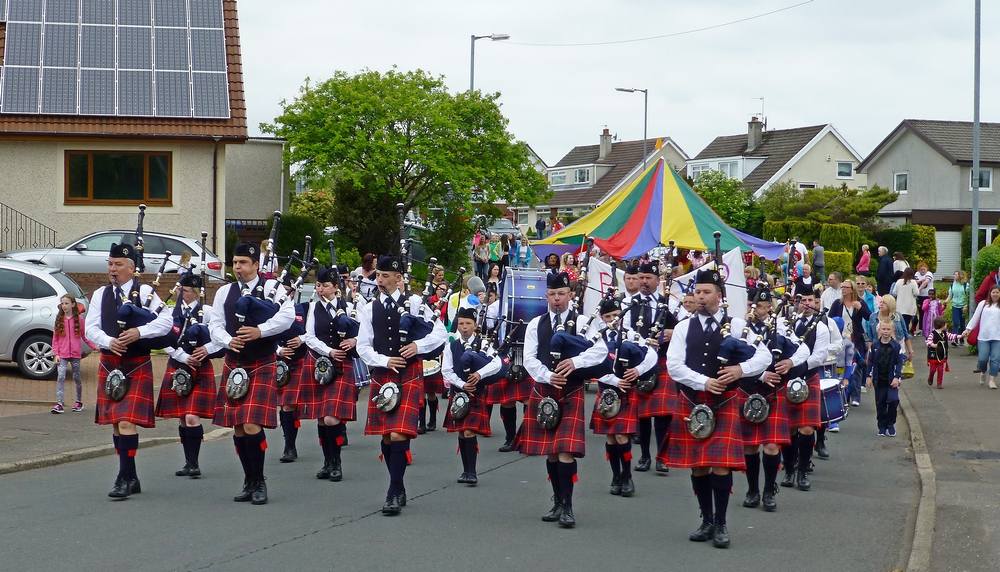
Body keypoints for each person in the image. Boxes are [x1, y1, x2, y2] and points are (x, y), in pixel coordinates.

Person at [664, 267, 770, 548]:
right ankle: (706, 519)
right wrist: (703, 382)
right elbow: (673, 365)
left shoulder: (737, 326)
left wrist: (740, 370)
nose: (700, 296)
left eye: (706, 292)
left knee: (721, 467)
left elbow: (764, 356)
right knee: (698, 467)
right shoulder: (684, 327)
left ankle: (721, 523)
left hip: (723, 402)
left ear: (719, 295)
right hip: (692, 400)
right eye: (697, 291)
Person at [516, 271, 608, 529]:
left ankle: (567, 506)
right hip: (545, 391)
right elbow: (529, 357)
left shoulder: (583, 322)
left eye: (562, 294)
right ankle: (557, 501)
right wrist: (546, 376)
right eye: (553, 294)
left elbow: (601, 351)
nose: (557, 299)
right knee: (552, 453)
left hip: (571, 391)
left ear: (570, 294)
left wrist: (575, 362)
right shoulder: (536, 324)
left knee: (565, 450)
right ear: (547, 295)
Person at [356, 255, 447, 515]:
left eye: (385, 276)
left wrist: (418, 346)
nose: (380, 281)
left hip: (409, 374)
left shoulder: (416, 303)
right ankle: (398, 486)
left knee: (398, 434)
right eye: (378, 276)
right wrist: (385, 360)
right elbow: (363, 346)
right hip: (384, 374)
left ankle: (394, 489)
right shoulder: (368, 308)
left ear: (398, 278)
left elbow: (439, 332)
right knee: (387, 436)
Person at [85, 242, 174, 499]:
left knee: (126, 422)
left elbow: (166, 321)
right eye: (110, 264)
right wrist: (107, 341)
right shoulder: (100, 294)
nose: (112, 269)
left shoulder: (145, 292)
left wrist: (139, 332)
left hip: (136, 363)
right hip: (110, 361)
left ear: (131, 268)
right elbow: (90, 328)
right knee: (116, 424)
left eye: (118, 264)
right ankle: (131, 475)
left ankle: (122, 478)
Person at [209, 242, 295, 506]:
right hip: (235, 362)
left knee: (250, 424)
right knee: (238, 428)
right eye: (234, 262)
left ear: (256, 264)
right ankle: (248, 479)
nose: (237, 267)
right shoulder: (225, 292)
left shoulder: (272, 288)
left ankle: (259, 481)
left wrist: (261, 331)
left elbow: (288, 316)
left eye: (243, 262)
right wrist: (226, 341)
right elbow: (215, 324)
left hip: (261, 361)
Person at [743, 288, 809, 513]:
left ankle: (769, 491)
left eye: (765, 305)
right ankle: (752, 489)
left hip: (773, 394)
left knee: (771, 446)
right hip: (748, 391)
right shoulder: (739, 328)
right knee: (750, 447)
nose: (762, 309)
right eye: (758, 305)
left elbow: (804, 350)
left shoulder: (780, 327)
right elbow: (730, 361)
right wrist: (760, 374)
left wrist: (790, 362)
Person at [154, 272, 223, 479]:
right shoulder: (169, 312)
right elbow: (164, 339)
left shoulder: (208, 312)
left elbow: (221, 336)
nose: (182, 294)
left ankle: (194, 463)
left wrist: (207, 350)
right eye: (182, 290)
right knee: (184, 418)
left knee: (192, 416)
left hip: (201, 367)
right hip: (178, 365)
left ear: (196, 292)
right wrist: (182, 356)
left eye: (185, 291)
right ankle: (188, 462)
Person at [590, 297, 658, 498]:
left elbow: (651, 355)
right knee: (611, 438)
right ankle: (616, 475)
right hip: (607, 390)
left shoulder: (632, 335)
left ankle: (627, 475)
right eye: (608, 316)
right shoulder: (598, 338)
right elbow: (591, 363)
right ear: (602, 318)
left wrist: (638, 370)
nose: (613, 319)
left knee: (622, 436)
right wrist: (613, 380)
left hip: (626, 391)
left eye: (616, 315)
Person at [300, 266, 359, 483]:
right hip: (320, 364)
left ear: (335, 287)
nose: (320, 289)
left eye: (325, 285)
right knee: (322, 419)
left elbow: (364, 333)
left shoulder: (351, 306)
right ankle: (327, 462)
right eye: (318, 285)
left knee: (331, 417)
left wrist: (354, 341)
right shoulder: (313, 308)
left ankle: (336, 463)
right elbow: (309, 337)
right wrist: (330, 351)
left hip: (343, 366)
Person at [623, 259, 677, 474]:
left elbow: (685, 326)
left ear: (657, 280)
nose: (644, 282)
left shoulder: (669, 303)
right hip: (640, 362)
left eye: (648, 278)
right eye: (641, 277)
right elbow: (623, 329)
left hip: (663, 361)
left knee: (664, 415)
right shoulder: (629, 303)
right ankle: (645, 456)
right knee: (643, 415)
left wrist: (673, 332)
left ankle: (662, 457)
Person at [442, 307, 502, 485]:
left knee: (469, 431)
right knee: (462, 432)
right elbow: (446, 370)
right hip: (459, 392)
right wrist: (462, 385)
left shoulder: (484, 344)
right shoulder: (451, 345)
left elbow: (497, 363)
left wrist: (479, 375)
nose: (464, 327)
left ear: (475, 325)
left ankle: (471, 471)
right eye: (461, 323)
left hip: (476, 392)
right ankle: (465, 470)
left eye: (468, 323)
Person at [780, 285, 830, 493]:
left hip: (808, 378)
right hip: (787, 379)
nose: (807, 304)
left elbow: (820, 356)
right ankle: (789, 469)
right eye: (803, 300)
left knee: (807, 427)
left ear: (816, 302)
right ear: (796, 302)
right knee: (789, 428)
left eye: (810, 301)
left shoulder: (821, 327)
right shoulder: (786, 324)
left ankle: (802, 472)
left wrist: (797, 365)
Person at [275, 275, 309, 463]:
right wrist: (279, 350)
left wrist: (301, 339)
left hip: (300, 361)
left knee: (291, 404)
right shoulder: (272, 310)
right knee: (285, 404)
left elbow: (312, 331)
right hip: (280, 363)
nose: (286, 292)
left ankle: (290, 444)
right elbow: (263, 334)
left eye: (289, 288)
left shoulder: (303, 309)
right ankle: (289, 446)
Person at [829, 279, 872, 409]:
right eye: (842, 287)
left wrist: (861, 308)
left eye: (846, 287)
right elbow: (830, 320)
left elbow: (869, 317)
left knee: (856, 367)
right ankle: (844, 395)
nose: (843, 289)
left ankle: (856, 396)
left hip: (855, 339)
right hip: (840, 339)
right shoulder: (837, 303)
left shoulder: (859, 303)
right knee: (842, 367)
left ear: (852, 289)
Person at [51, 294, 95, 414]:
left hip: (75, 355)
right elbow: (55, 338)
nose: (64, 306)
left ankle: (78, 401)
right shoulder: (59, 319)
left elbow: (84, 337)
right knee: (60, 377)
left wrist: (95, 346)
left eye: (66, 303)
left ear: (73, 304)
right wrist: (56, 353)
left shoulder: (79, 320)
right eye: (62, 304)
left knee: (77, 378)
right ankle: (59, 404)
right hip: (62, 354)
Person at [866, 321, 905, 437]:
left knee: (893, 400)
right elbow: (871, 362)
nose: (886, 332)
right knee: (880, 403)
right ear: (879, 330)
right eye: (884, 329)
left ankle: (890, 424)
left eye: (888, 329)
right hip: (879, 380)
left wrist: (897, 377)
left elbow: (899, 363)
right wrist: (868, 376)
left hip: (892, 380)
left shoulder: (896, 346)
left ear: (892, 331)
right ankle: (882, 426)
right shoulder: (874, 346)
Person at [965, 286, 1000, 389]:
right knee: (982, 359)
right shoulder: (983, 304)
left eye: (997, 292)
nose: (995, 294)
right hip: (983, 337)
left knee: (995, 359)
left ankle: (992, 380)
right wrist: (968, 329)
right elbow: (975, 317)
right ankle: (983, 371)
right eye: (993, 292)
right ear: (990, 293)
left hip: (997, 338)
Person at [926, 317, 962, 389]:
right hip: (934, 355)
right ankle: (931, 376)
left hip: (942, 355)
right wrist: (933, 345)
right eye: (945, 324)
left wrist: (960, 336)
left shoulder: (945, 333)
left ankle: (939, 383)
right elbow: (928, 341)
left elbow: (952, 336)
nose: (946, 326)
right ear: (941, 325)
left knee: (940, 369)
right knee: (933, 369)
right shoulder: (933, 334)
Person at [893, 268, 920, 334]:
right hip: (909, 306)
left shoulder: (899, 281)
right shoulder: (913, 282)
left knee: (901, 321)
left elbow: (894, 293)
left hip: (900, 306)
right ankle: (905, 334)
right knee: (907, 321)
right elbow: (916, 293)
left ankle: (902, 333)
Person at [945, 272, 969, 342]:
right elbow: (950, 296)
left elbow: (968, 297)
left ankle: (961, 339)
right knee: (955, 323)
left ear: (960, 276)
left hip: (963, 307)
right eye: (954, 274)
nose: (954, 276)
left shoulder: (965, 285)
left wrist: (966, 305)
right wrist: (945, 302)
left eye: (956, 274)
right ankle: (954, 339)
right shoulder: (952, 285)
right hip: (955, 306)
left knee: (962, 324)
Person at [914, 262, 934, 334]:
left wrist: (918, 290)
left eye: (924, 269)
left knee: (929, 312)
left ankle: (929, 328)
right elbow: (915, 281)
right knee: (921, 312)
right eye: (921, 269)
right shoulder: (917, 274)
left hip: (928, 296)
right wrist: (920, 280)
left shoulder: (929, 274)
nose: (922, 271)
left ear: (926, 269)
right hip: (920, 296)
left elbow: (926, 282)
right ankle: (921, 329)